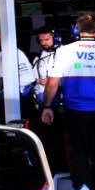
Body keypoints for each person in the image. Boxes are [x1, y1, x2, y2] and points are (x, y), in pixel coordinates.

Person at [41, 11, 95, 190]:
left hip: (75, 110)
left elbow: (52, 83)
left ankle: (83, 185)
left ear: (76, 29)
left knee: (78, 151)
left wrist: (47, 107)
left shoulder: (64, 51)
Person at [31, 27, 68, 172]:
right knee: (48, 141)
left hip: (62, 105)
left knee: (63, 141)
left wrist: (53, 81)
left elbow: (73, 77)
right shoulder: (39, 57)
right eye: (41, 41)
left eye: (47, 39)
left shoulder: (67, 53)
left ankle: (64, 169)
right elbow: (32, 78)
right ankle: (51, 171)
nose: (44, 43)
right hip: (43, 105)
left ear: (56, 38)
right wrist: (37, 81)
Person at [0, 29, 37, 116]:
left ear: (3, 38)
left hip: (20, 99)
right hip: (2, 100)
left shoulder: (16, 53)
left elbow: (29, 78)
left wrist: (5, 83)